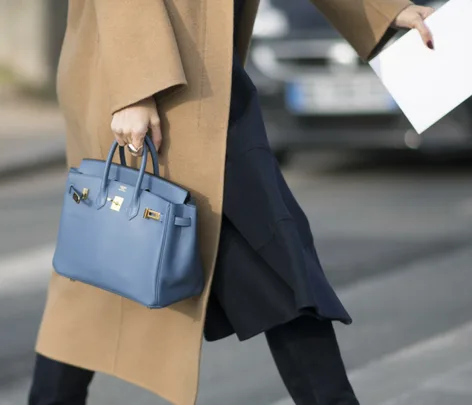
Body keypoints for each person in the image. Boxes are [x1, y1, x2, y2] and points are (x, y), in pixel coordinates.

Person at [29, 1, 434, 405]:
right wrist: (136, 85)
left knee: (114, 262)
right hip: (149, 75)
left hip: (205, 74)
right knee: (110, 263)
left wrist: (384, 10)